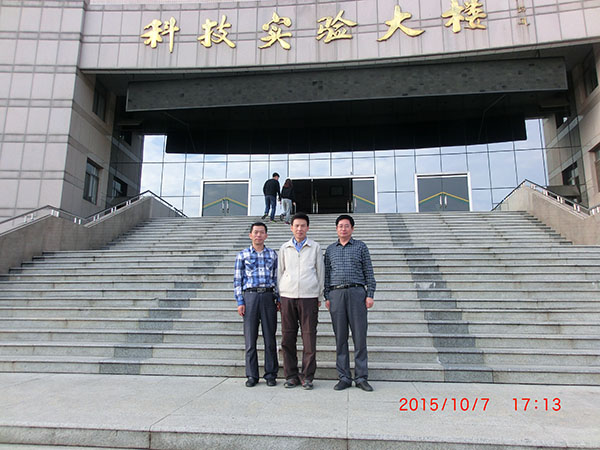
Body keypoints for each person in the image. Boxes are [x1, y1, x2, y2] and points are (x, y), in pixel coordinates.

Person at [324, 214, 376, 392]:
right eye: (340, 226)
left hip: (357, 293)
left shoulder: (361, 247)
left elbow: (369, 271)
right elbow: (326, 275)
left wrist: (370, 294)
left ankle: (361, 377)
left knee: (359, 337)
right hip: (336, 294)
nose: (343, 229)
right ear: (336, 229)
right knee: (340, 338)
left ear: (352, 229)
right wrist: (327, 296)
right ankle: (344, 377)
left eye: (346, 226)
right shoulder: (330, 250)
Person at [278, 213, 324, 390]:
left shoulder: (315, 247)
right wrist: (279, 295)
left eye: (303, 225)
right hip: (287, 296)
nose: (299, 229)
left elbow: (320, 272)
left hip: (309, 296)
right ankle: (291, 375)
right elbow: (280, 272)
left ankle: (307, 376)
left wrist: (319, 296)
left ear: (308, 228)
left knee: (309, 337)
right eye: (296, 225)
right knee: (287, 337)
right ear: (291, 228)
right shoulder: (285, 248)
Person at [233, 222, 279, 387]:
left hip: (268, 296)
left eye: (262, 232)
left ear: (266, 235)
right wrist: (240, 301)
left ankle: (271, 374)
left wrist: (278, 298)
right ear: (250, 235)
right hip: (250, 297)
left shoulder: (272, 255)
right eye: (256, 232)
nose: (258, 235)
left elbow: (276, 278)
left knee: (270, 338)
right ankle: (252, 375)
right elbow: (237, 280)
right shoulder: (242, 255)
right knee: (250, 339)